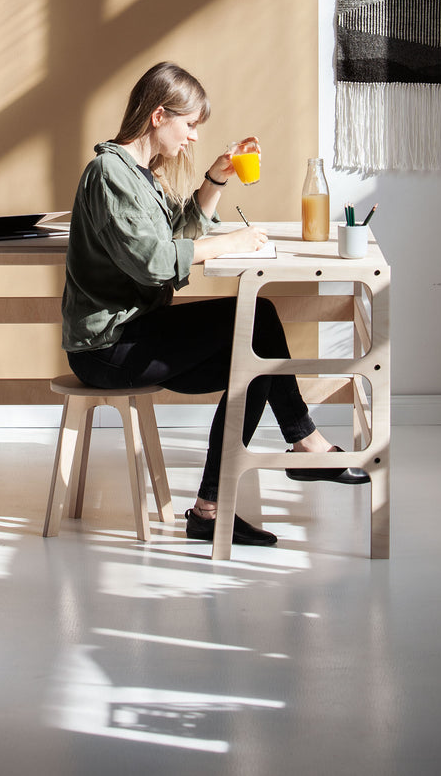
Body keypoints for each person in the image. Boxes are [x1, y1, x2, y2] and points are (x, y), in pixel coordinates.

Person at [62, 62, 367, 547]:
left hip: (138, 334)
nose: (194, 137)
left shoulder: (140, 174)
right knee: (259, 324)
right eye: (191, 124)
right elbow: (157, 263)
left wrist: (215, 180)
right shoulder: (109, 173)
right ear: (159, 115)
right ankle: (304, 442)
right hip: (108, 348)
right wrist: (234, 242)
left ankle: (211, 508)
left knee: (257, 360)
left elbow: (177, 233)